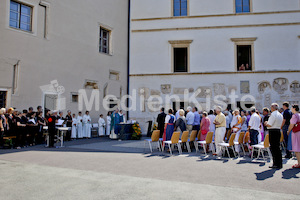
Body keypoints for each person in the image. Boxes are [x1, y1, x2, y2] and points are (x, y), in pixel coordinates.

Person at [264, 103, 283, 169]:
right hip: (278, 130)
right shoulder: (280, 114)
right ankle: (279, 163)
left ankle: (275, 163)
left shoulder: (273, 114)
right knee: (277, 148)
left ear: (272, 107)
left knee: (273, 148)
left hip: (273, 131)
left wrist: (266, 123)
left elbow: (270, 124)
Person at [288, 104, 300, 168]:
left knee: (297, 148)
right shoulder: (299, 115)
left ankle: (299, 163)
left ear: (294, 108)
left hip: (296, 132)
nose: (291, 109)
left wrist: (288, 131)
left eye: (292, 108)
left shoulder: (294, 116)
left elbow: (291, 125)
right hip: (299, 132)